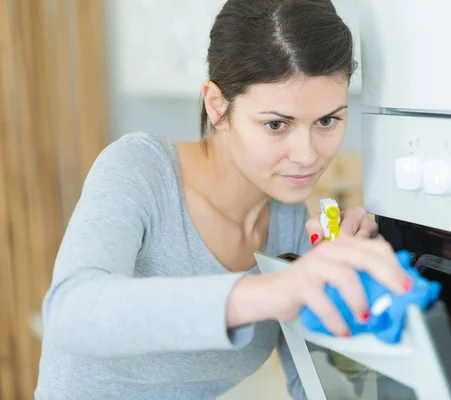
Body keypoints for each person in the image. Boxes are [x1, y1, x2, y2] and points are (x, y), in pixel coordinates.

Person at [35, 0, 411, 399]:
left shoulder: (291, 228)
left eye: (327, 120)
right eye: (276, 124)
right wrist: (267, 293)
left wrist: (361, 291)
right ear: (218, 106)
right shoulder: (141, 170)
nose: (307, 153)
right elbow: (72, 312)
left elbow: (317, 385)